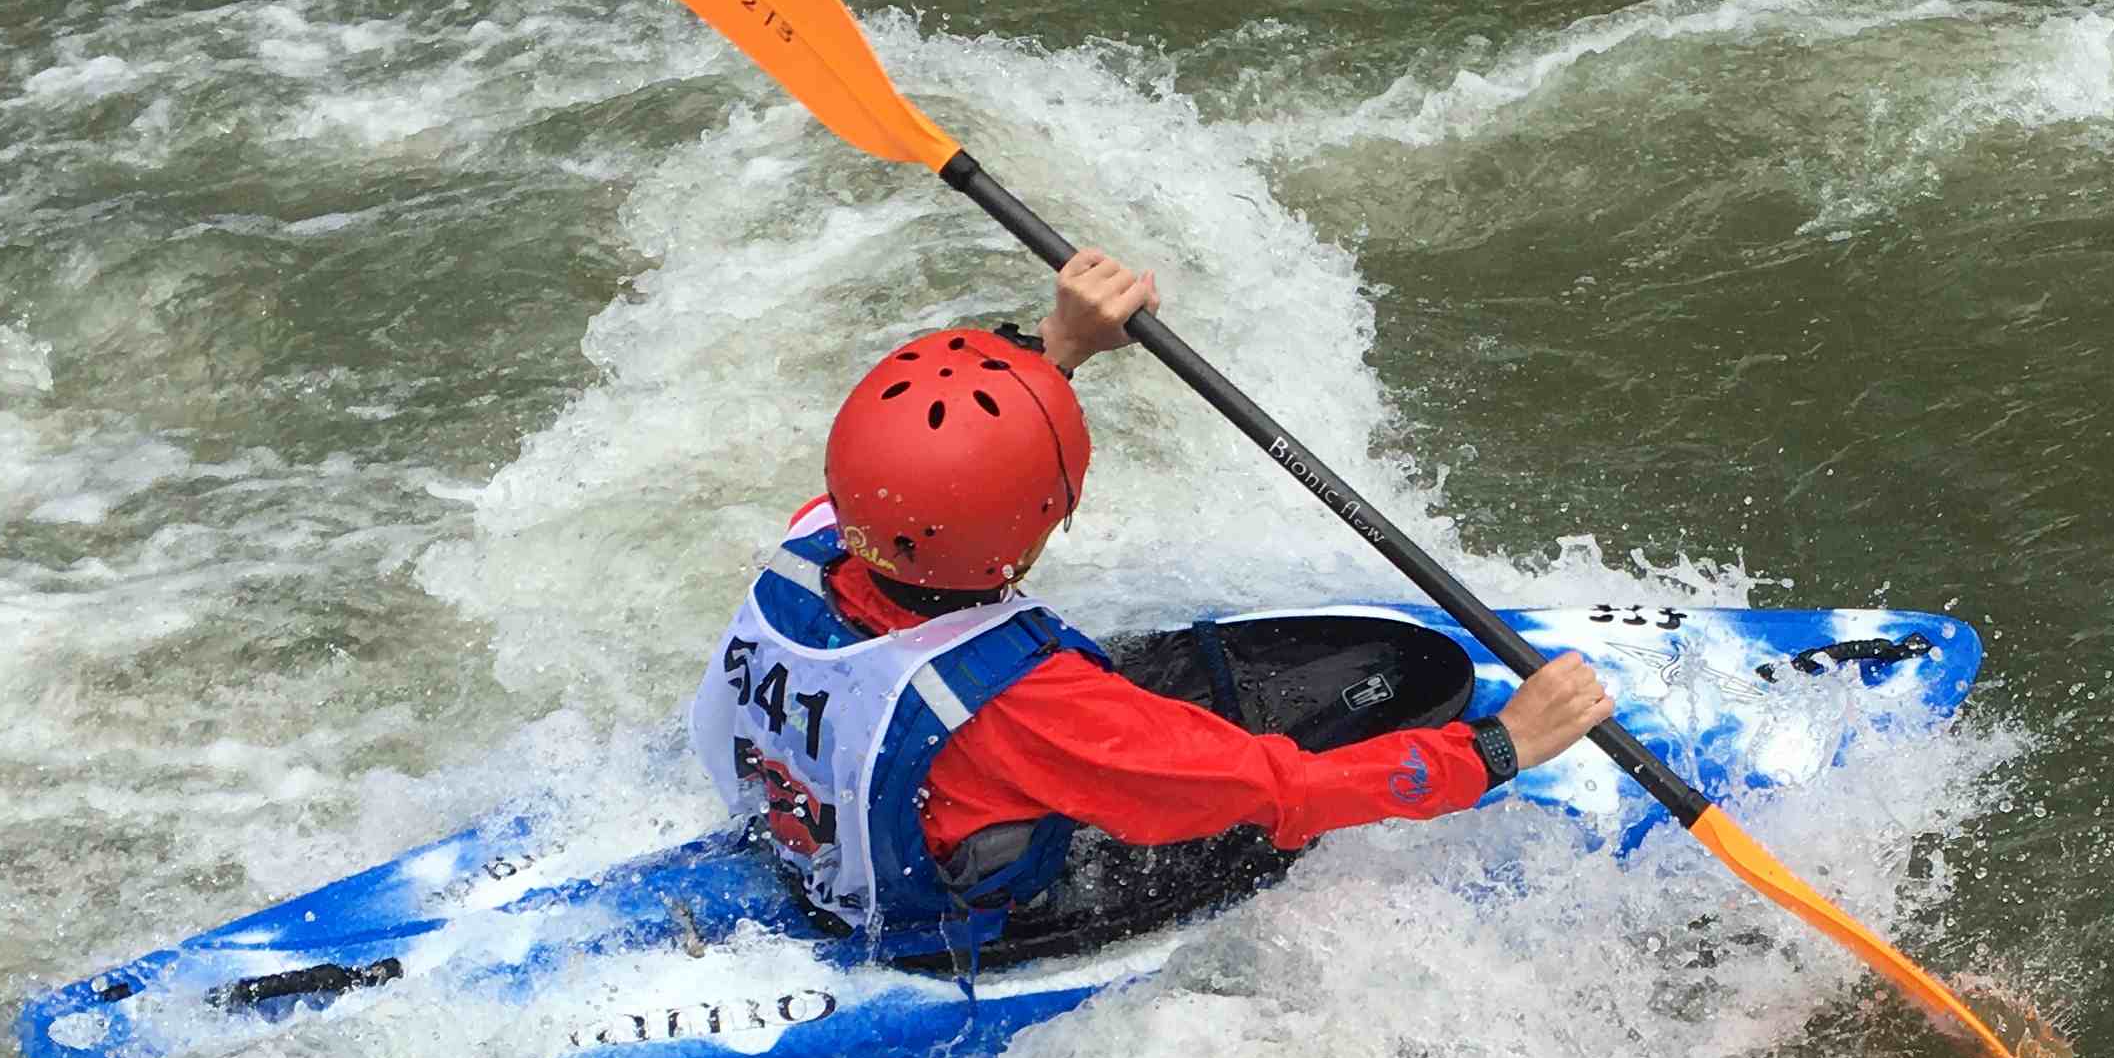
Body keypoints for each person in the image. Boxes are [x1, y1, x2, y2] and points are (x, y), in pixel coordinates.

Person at [691, 248, 1616, 962]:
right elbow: (1285, 792)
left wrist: (1063, 343)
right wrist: (1500, 748)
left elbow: (931, 464)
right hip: (957, 912)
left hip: (830, 824)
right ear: (1049, 510)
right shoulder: (1033, 709)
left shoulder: (815, 539)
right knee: (1327, 740)